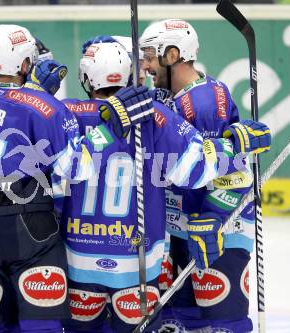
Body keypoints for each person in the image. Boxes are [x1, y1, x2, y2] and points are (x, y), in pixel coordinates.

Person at [0, 23, 154, 333]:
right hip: (32, 231)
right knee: (42, 326)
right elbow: (73, 168)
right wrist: (110, 129)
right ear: (27, 63)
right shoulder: (46, 108)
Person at [57, 39, 270, 333]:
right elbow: (195, 170)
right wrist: (234, 144)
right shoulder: (155, 115)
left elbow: (50, 171)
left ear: (85, 76)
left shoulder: (64, 112)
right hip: (136, 261)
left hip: (78, 260)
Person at [140, 18, 259, 332]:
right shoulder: (166, 97)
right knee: (180, 320)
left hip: (219, 231)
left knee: (222, 322)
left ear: (173, 54)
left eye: (150, 56)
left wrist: (213, 215)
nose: (145, 65)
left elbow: (231, 170)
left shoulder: (203, 102)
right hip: (182, 227)